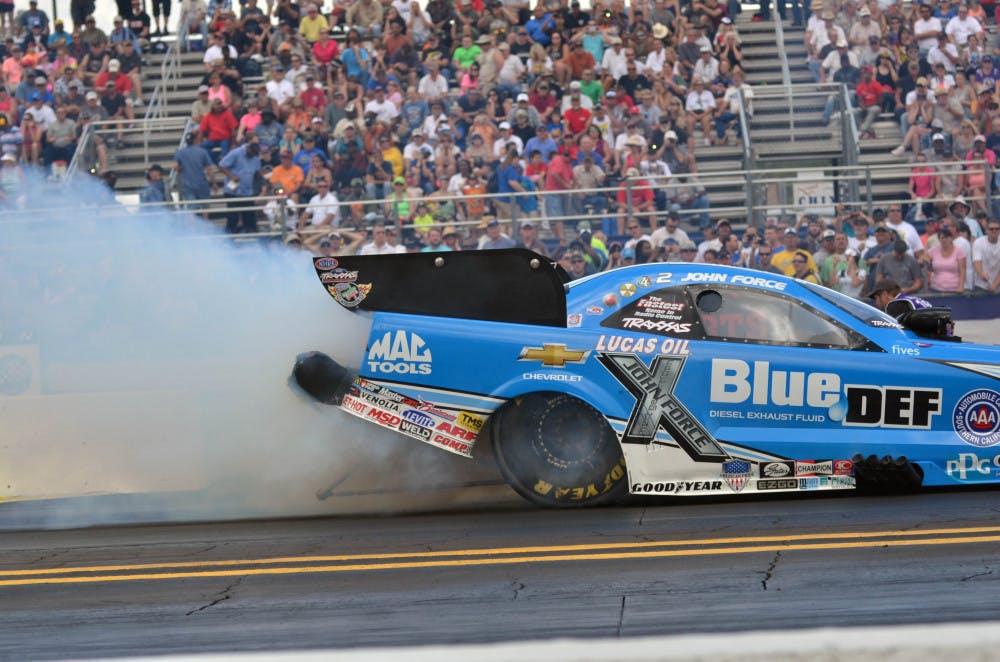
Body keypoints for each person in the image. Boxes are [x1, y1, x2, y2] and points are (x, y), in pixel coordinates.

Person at [217, 141, 263, 233]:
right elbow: (222, 165)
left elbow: (257, 171)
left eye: (254, 154)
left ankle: (252, 237)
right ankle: (230, 239)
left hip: (247, 191)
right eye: (251, 153)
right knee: (233, 216)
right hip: (233, 191)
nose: (252, 156)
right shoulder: (236, 153)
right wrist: (232, 176)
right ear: (248, 148)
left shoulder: (256, 158)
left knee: (250, 217)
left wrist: (263, 175)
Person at [173, 129, 216, 211]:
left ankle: (192, 224)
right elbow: (209, 169)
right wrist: (214, 183)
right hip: (201, 183)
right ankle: (204, 223)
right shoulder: (202, 152)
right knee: (205, 208)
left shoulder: (180, 153)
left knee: (191, 208)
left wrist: (181, 168)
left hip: (187, 184)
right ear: (195, 140)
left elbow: (175, 167)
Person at [923, 226, 967, 293]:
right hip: (936, 288)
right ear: (939, 240)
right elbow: (922, 257)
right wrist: (926, 259)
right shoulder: (934, 250)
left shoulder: (959, 251)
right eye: (942, 238)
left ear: (951, 238)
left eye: (946, 237)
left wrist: (961, 287)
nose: (944, 240)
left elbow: (963, 270)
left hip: (954, 289)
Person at [866, 278, 933, 313]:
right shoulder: (906, 299)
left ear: (884, 294)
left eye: (876, 298)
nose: (876, 303)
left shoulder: (899, 305)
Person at [972, 218, 1000, 291]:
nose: (994, 231)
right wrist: (981, 273)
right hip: (980, 285)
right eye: (991, 229)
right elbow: (977, 262)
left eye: (997, 229)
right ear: (986, 231)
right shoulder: (978, 242)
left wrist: (995, 285)